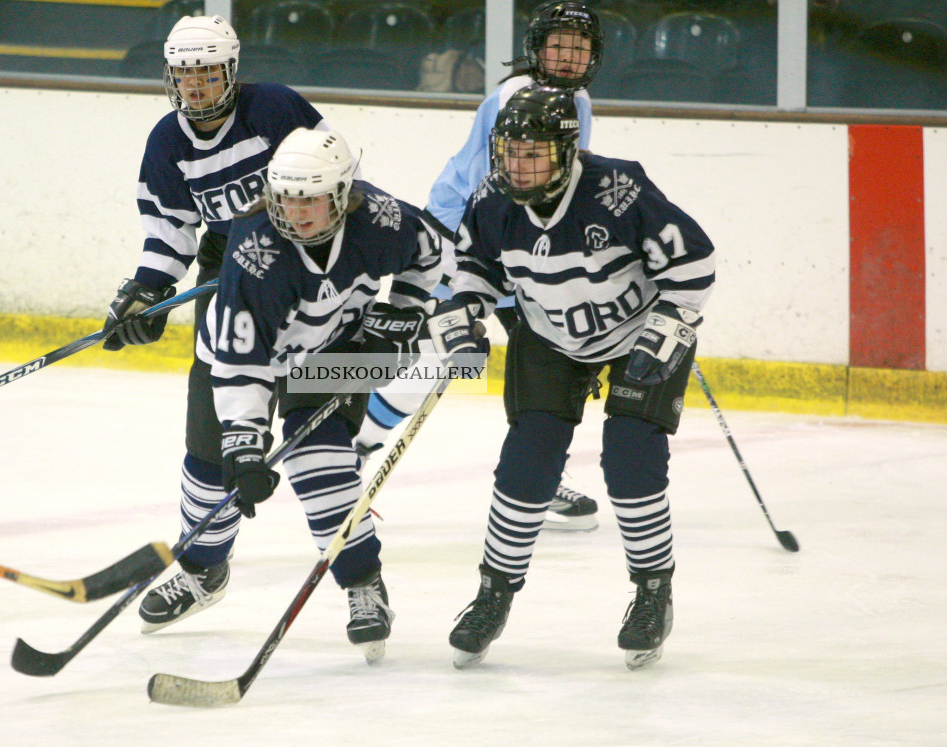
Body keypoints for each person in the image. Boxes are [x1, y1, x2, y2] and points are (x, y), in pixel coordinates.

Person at [430, 84, 714, 671]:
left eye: (533, 154)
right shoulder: (491, 201)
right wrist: (464, 312)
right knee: (527, 460)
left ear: (566, 152)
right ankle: (494, 594)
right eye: (509, 152)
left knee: (631, 454)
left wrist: (670, 327)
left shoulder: (618, 189)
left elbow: (695, 263)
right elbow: (475, 267)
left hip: (640, 332)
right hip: (550, 335)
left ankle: (653, 591)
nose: (519, 166)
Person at [137, 127, 442, 662]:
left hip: (333, 354)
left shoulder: (381, 219)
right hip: (238, 363)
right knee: (213, 470)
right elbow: (240, 362)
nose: (295, 213)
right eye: (285, 198)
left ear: (344, 194)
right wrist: (245, 443)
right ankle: (202, 571)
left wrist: (411, 306)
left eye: (310, 200)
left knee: (318, 461)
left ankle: (362, 583)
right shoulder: (254, 251)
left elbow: (432, 251)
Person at [93, 15, 346, 631]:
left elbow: (339, 181)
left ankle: (362, 580)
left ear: (232, 71)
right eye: (185, 74)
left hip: (309, 272)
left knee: (322, 441)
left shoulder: (276, 111)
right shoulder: (167, 141)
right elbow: (170, 232)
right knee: (210, 433)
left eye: (207, 73)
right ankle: (203, 566)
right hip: (231, 278)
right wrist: (146, 292)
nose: (196, 87)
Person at [357, 1, 603, 531]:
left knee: (551, 355)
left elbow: (562, 185)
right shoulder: (520, 97)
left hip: (511, 240)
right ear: (536, 49)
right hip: (463, 236)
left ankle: (535, 473)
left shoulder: (576, 99)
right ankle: (352, 455)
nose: (567, 56)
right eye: (558, 45)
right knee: (443, 354)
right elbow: (507, 186)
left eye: (578, 47)